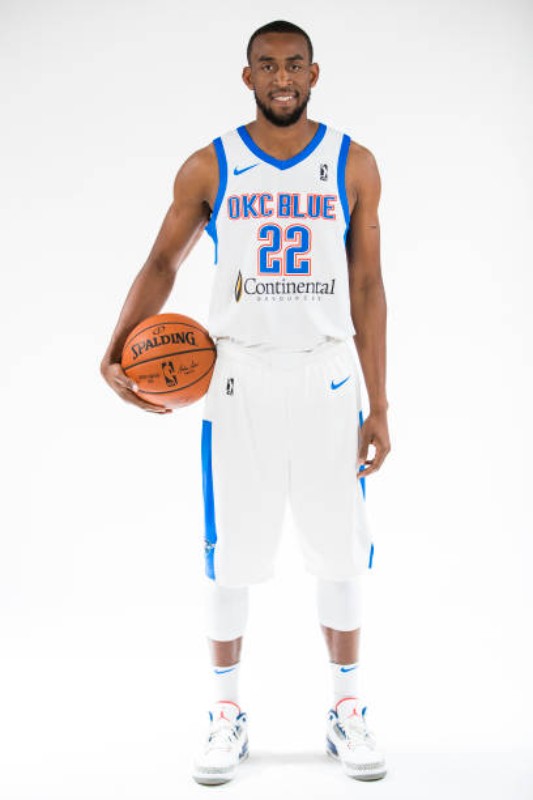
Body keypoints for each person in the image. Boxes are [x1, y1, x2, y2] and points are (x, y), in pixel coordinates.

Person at [100, 19, 391, 785]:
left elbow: (367, 284)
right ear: (247, 76)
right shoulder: (211, 164)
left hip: (328, 375)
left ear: (314, 74)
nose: (281, 78)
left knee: (338, 550)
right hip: (238, 377)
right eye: (267, 65)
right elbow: (162, 261)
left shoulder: (352, 163)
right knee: (230, 554)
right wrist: (117, 343)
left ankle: (347, 707)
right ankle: (225, 713)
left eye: (294, 65)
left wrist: (380, 403)